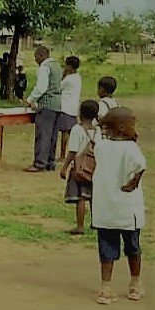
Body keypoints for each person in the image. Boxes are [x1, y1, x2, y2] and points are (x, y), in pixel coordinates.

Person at [91, 108, 145, 304]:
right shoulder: (131, 148)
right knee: (133, 247)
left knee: (106, 249)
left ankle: (106, 288)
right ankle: (135, 284)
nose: (134, 128)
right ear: (122, 127)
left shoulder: (101, 146)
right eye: (133, 125)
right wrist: (133, 183)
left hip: (105, 208)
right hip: (127, 208)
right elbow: (140, 167)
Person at [59, 100, 100, 235]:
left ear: (80, 113)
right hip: (95, 168)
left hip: (80, 167)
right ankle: (96, 223)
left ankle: (80, 226)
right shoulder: (98, 130)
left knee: (80, 198)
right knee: (94, 197)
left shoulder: (77, 129)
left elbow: (73, 151)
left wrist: (65, 166)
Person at [24, 46, 64, 173]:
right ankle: (50, 162)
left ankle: (40, 163)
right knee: (53, 135)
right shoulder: (57, 66)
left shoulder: (44, 67)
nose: (35, 60)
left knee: (43, 134)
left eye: (36, 56)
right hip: (57, 104)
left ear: (41, 55)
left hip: (46, 105)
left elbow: (41, 87)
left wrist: (30, 99)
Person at [57, 56, 83, 160]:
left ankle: (62, 156)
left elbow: (58, 87)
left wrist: (62, 75)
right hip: (73, 107)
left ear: (70, 66)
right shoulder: (77, 77)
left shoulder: (68, 79)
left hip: (65, 107)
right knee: (71, 132)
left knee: (65, 132)